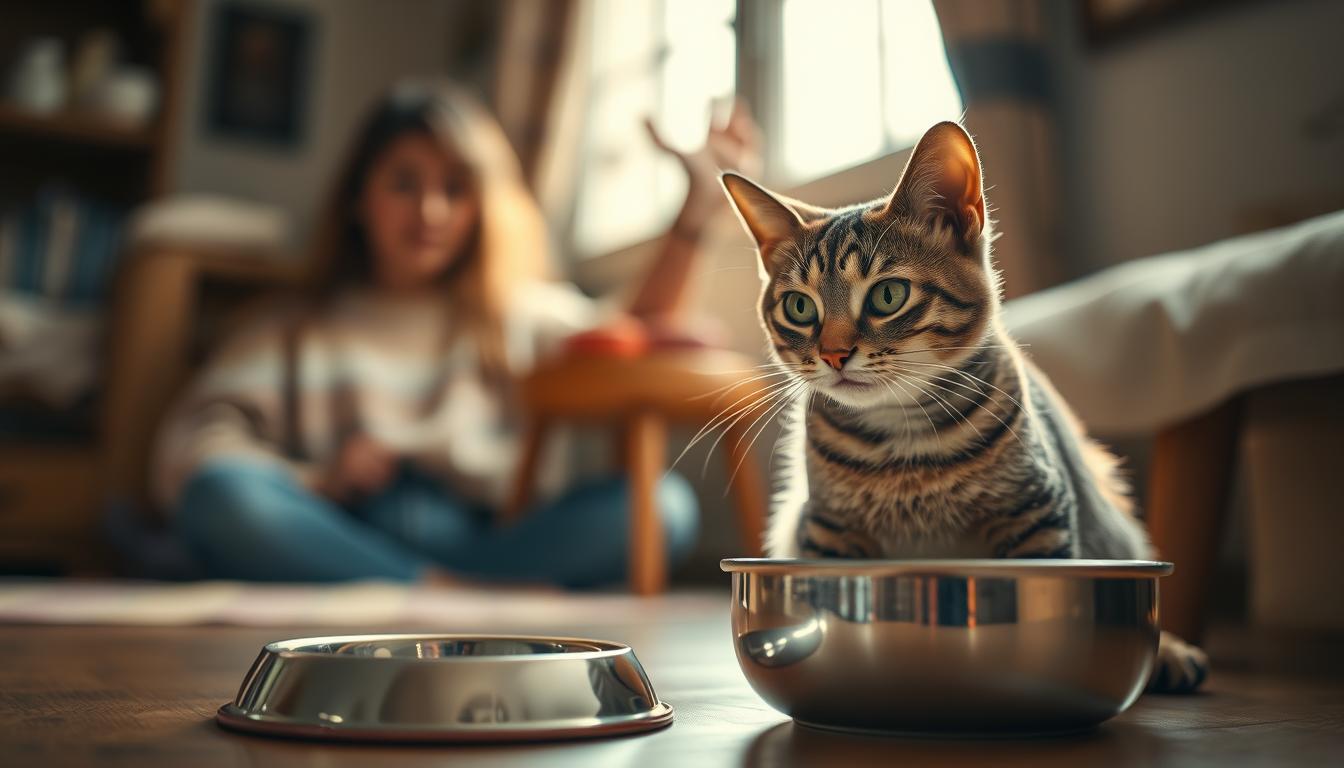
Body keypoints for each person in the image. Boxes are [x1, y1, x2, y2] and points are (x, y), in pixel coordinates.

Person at [152, 80, 760, 586]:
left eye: (454, 188)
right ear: (359, 198)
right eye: (403, 183)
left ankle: (427, 593)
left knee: (660, 508)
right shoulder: (291, 326)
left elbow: (628, 340)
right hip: (339, 532)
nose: (431, 213)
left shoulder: (513, 314)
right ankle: (434, 596)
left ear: (480, 206)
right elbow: (193, 453)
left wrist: (694, 217)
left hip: (492, 545)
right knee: (221, 496)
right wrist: (320, 478)